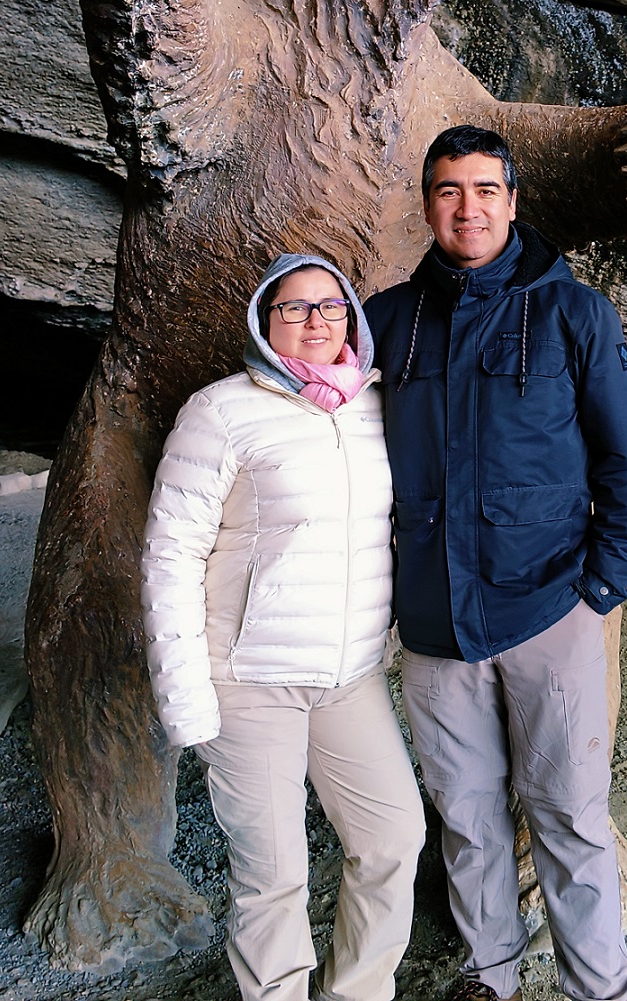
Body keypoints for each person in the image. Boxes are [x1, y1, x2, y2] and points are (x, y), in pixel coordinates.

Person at [364, 125, 627, 1001]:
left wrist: (599, 588)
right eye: (450, 191)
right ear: (427, 205)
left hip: (548, 608)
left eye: (485, 190)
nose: (468, 207)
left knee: (569, 812)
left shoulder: (573, 312)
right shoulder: (387, 320)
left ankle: (596, 985)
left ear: (512, 201)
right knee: (465, 814)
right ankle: (490, 973)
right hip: (433, 621)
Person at [141, 254, 425, 1001]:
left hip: (350, 676)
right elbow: (170, 553)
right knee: (273, 875)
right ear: (265, 322)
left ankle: (357, 991)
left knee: (394, 837)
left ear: (351, 320)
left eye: (329, 307)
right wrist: (186, 697)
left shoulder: (374, 404)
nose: (314, 323)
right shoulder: (221, 410)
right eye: (294, 309)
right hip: (248, 678)